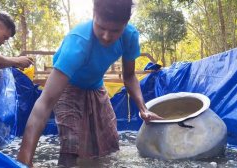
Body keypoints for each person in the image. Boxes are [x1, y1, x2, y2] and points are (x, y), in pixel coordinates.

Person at [17, 0, 163, 167]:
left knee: (110, 145)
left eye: (115, 31)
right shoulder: (78, 42)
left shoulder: (130, 36)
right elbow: (44, 103)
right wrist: (24, 160)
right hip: (68, 87)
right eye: (101, 27)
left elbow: (129, 76)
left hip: (96, 87)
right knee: (71, 145)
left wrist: (143, 109)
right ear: (94, 15)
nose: (107, 36)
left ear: (125, 23)